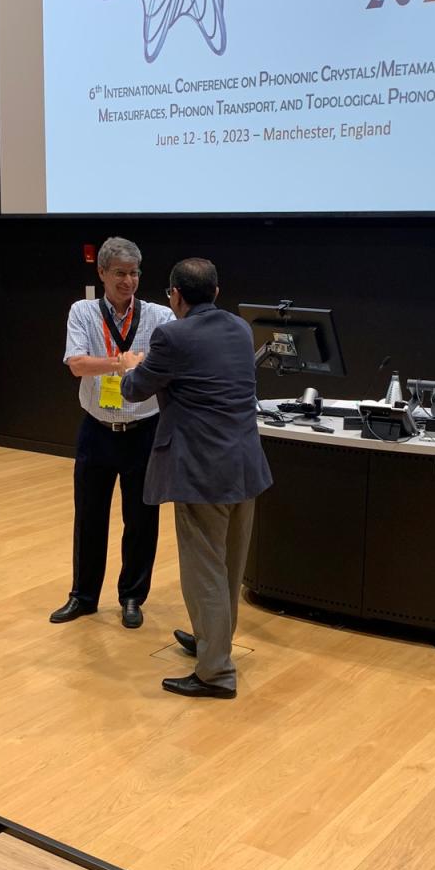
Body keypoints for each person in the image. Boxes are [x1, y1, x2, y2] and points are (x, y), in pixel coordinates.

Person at [119, 258, 272, 698]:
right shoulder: (241, 329)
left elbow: (135, 389)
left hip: (202, 471)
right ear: (217, 293)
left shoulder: (170, 334)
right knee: (229, 567)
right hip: (245, 465)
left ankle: (215, 673)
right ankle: (213, 645)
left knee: (203, 570)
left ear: (175, 296)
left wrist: (132, 364)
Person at [49, 237, 173, 629]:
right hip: (97, 429)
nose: (128, 281)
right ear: (101, 272)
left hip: (144, 429)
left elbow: (167, 365)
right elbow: (77, 364)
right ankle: (83, 596)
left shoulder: (159, 316)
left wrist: (119, 364)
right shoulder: (83, 312)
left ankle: (133, 596)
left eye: (134, 273)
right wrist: (124, 363)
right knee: (89, 517)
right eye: (119, 273)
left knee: (141, 519)